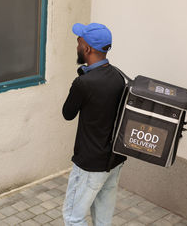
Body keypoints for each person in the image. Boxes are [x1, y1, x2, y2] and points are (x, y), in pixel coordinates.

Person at [62, 23, 127, 225]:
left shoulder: (84, 83)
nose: (77, 46)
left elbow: (67, 113)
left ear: (87, 48)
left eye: (78, 42)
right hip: (113, 161)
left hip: (90, 164)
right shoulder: (118, 76)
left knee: (73, 217)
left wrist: (82, 77)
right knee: (103, 219)